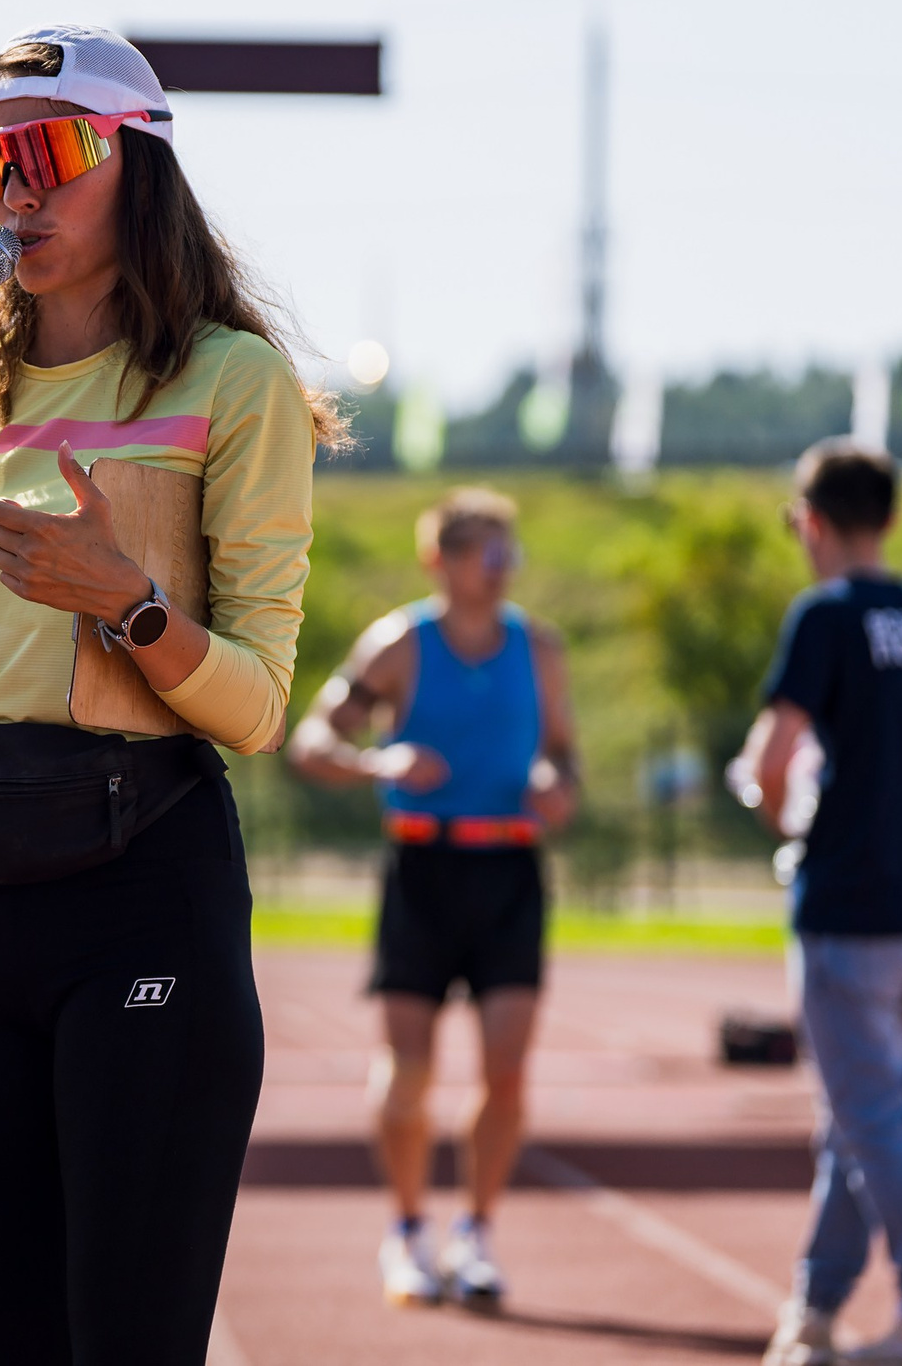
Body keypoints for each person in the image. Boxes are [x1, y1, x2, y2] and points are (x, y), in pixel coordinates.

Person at [0, 25, 336, 1365]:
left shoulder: (229, 377)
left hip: (139, 881)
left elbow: (257, 706)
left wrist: (131, 603)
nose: (17, 191)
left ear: (136, 161)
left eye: (47, 152)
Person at [738, 441, 902, 1366]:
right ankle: (814, 1308)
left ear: (811, 521)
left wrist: (789, 821)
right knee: (854, 1117)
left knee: (874, 1120)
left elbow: (772, 758)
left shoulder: (826, 615)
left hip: (847, 907)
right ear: (889, 518)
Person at [283, 487, 578, 1311]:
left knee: (507, 1071)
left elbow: (566, 754)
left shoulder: (539, 648)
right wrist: (378, 763)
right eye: (486, 551)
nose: (501, 566)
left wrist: (557, 784)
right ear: (438, 559)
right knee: (409, 1071)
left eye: (507, 550)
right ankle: (408, 1229)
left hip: (509, 870)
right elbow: (313, 739)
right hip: (422, 871)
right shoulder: (399, 644)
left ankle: (476, 1231)